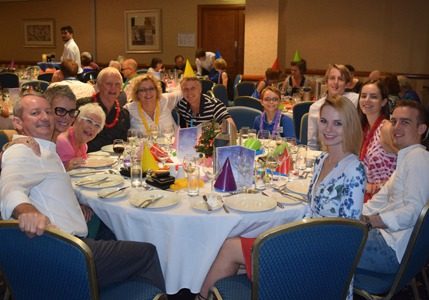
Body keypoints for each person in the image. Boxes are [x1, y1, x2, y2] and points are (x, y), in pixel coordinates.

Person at [198, 95, 365, 300]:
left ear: (350, 126)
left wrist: (288, 243)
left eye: (337, 123)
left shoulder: (354, 169)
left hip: (318, 260)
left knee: (230, 247)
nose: (328, 129)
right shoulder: (322, 160)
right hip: (305, 243)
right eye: (324, 121)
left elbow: (349, 236)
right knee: (232, 250)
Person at [0, 93, 165, 291]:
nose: (45, 117)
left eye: (48, 112)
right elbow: (10, 187)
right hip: (68, 252)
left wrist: (74, 206)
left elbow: (45, 186)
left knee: (116, 228)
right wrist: (26, 211)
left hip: (70, 241)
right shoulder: (24, 150)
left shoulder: (45, 148)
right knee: (147, 253)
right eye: (35, 113)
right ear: (17, 121)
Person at [357, 100, 429, 282]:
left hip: (389, 249)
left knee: (319, 247)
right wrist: (351, 216)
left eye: (405, 122)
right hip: (385, 241)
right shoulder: (407, 157)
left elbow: (413, 211)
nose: (396, 127)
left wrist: (371, 221)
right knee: (327, 237)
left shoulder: (418, 158)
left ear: (421, 129)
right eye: (394, 121)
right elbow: (380, 200)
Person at [358, 80, 397, 202]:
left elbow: (407, 165)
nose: (367, 100)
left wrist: (378, 186)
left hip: (385, 199)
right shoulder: (364, 129)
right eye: (363, 96)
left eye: (373, 97)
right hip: (367, 196)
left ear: (384, 102)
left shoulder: (386, 128)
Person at [77, 67, 130, 152]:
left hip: (113, 161)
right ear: (98, 85)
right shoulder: (83, 106)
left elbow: (123, 143)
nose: (113, 88)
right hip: (85, 158)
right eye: (109, 84)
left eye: (117, 84)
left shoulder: (123, 114)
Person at [307, 64, 359, 150]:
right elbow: (312, 143)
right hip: (325, 153)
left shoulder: (355, 101)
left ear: (347, 84)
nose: (336, 82)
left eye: (340, 79)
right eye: (332, 78)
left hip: (350, 153)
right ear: (326, 82)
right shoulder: (315, 107)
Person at [56, 103, 105, 170]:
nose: (92, 128)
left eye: (97, 125)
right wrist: (66, 167)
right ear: (77, 119)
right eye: (89, 121)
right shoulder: (62, 142)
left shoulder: (84, 146)